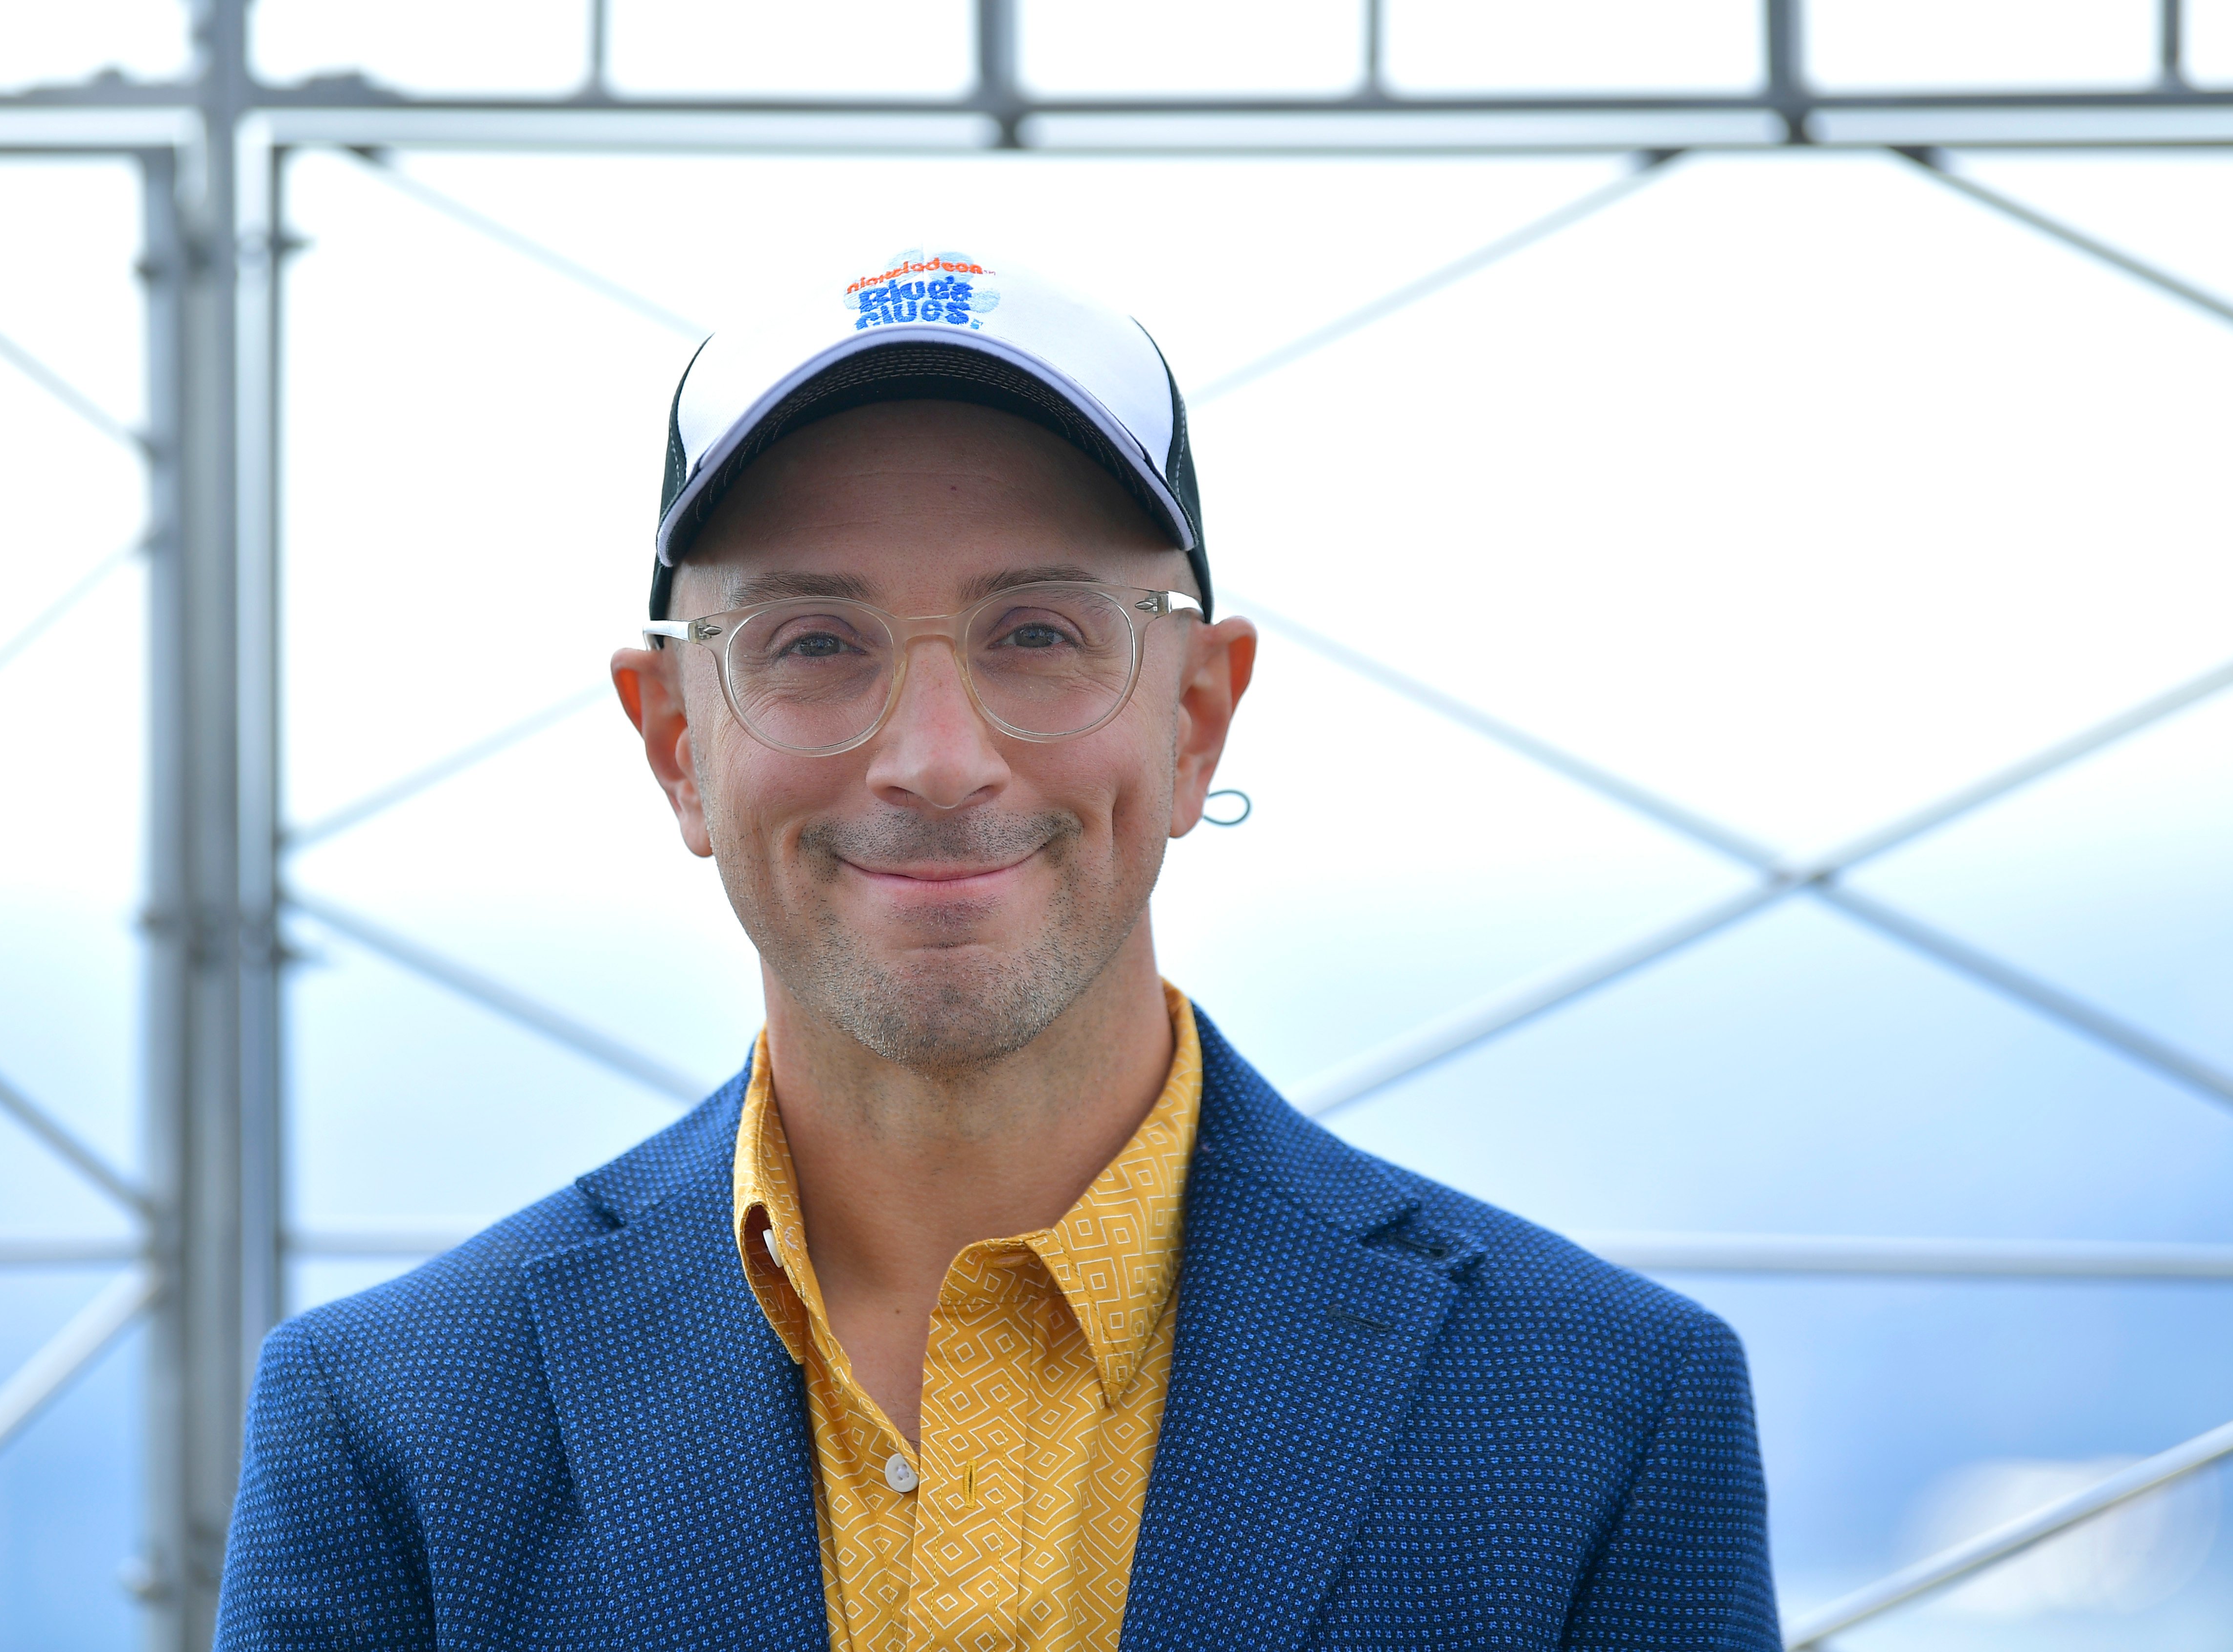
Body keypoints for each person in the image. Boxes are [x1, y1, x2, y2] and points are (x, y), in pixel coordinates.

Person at [216, 249, 1777, 1651]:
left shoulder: (1595, 1417)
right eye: (813, 644)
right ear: (675, 743)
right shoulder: (395, 1434)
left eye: (1038, 631)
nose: (938, 758)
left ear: (1193, 719)